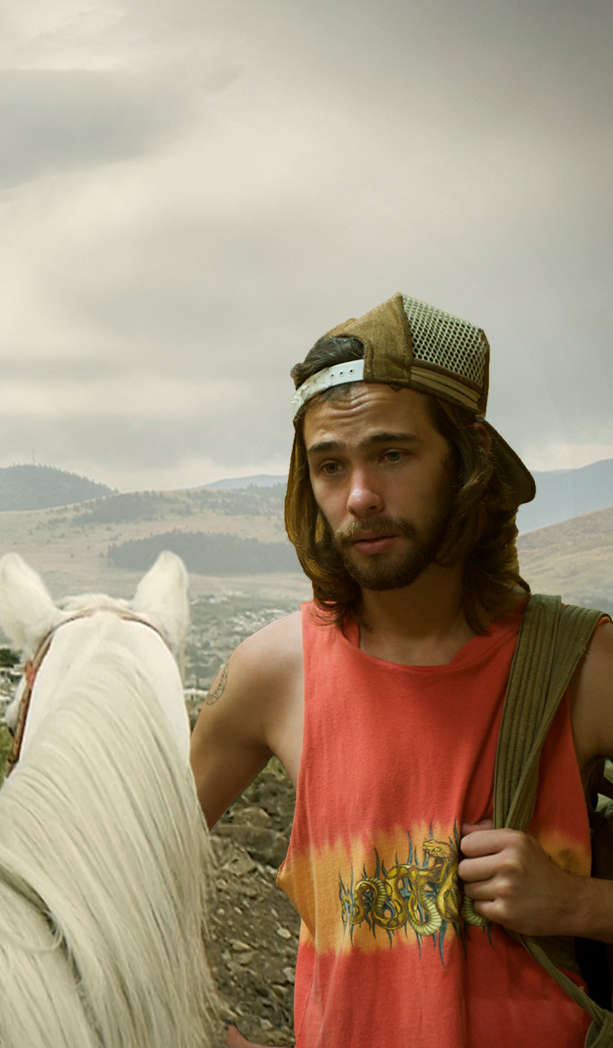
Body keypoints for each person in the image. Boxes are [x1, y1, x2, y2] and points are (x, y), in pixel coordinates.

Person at [189, 293, 613, 1047]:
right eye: (329, 465)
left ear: (470, 460)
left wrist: (579, 905)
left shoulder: (580, 666)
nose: (359, 497)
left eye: (392, 454)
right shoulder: (273, 672)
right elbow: (126, 866)